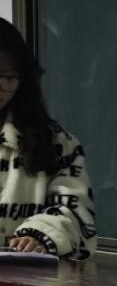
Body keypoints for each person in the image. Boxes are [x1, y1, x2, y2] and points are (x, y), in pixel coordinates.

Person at [0, 19, 95, 260]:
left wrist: (41, 235)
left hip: (25, 276)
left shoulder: (56, 143)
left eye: (8, 77)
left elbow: (75, 208)